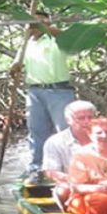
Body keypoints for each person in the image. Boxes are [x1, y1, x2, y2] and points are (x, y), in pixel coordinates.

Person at [10, 12, 75, 175]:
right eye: (32, 23)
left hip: (59, 91)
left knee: (66, 133)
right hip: (34, 92)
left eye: (40, 22)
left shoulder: (56, 40)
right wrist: (15, 67)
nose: (34, 26)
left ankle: (69, 170)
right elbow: (16, 64)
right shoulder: (26, 44)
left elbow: (67, 37)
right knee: (37, 132)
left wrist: (44, 26)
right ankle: (36, 169)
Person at [41, 100, 97, 185]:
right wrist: (79, 182)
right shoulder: (54, 142)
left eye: (90, 117)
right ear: (68, 120)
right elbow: (51, 172)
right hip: (70, 186)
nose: (87, 121)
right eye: (81, 118)